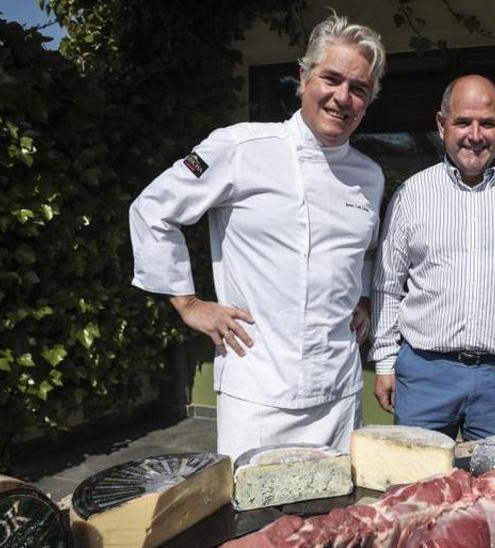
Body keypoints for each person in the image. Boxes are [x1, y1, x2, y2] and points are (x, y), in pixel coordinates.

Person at [129, 13, 386, 460]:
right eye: (331, 78)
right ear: (304, 77)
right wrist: (188, 304)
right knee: (256, 522)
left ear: (368, 99)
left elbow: (362, 251)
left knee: (334, 522)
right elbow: (152, 210)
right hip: (258, 391)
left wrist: (362, 296)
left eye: (359, 88)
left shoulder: (370, 175)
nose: (342, 97)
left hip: (339, 391)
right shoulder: (239, 148)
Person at [369, 74, 495, 440]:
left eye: (488, 123)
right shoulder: (411, 195)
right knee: (416, 488)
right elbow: (387, 284)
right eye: (463, 121)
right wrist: (385, 360)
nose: (475, 135)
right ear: (441, 124)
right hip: (423, 375)